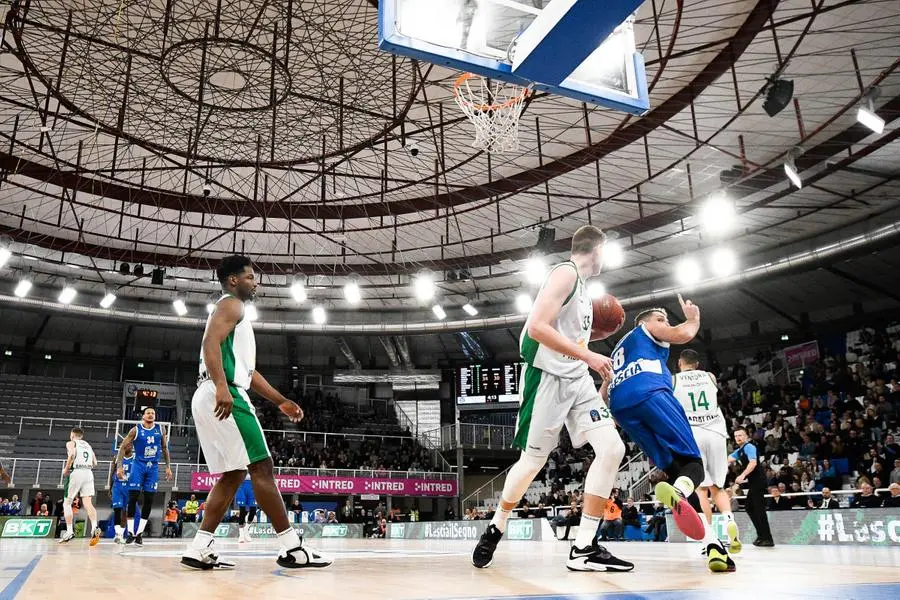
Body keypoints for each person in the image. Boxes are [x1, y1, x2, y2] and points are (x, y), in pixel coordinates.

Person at [472, 226, 632, 573]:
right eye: (605, 250)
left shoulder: (585, 290)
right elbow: (537, 328)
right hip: (545, 377)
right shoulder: (564, 273)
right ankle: (497, 525)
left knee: (612, 449)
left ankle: (584, 545)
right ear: (597, 248)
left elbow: (570, 336)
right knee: (532, 463)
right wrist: (589, 356)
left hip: (576, 378)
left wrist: (590, 360)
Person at [181, 255, 331, 571]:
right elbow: (210, 342)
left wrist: (280, 401)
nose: (255, 281)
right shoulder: (232, 305)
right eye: (250, 277)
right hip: (223, 393)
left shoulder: (235, 314)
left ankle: (199, 547)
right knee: (262, 466)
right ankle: (293, 548)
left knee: (235, 473)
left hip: (208, 392)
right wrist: (223, 387)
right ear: (233, 280)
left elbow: (249, 372)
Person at [604, 298, 733, 572]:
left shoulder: (618, 348)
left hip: (621, 405)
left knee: (677, 472)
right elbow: (683, 334)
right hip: (650, 392)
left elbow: (604, 391)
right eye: (662, 319)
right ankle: (679, 491)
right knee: (694, 467)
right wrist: (693, 318)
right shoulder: (645, 329)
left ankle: (712, 545)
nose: (666, 324)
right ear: (647, 322)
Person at [673, 349, 741, 555]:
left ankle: (709, 539)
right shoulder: (710, 376)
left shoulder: (674, 379)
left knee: (701, 489)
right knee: (718, 487)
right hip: (717, 433)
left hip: (693, 434)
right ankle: (730, 520)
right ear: (697, 363)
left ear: (679, 363)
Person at [115, 407, 173, 545]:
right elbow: (123, 447)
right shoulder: (135, 430)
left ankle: (139, 533)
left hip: (153, 467)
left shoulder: (161, 429)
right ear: (143, 416)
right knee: (133, 498)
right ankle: (130, 532)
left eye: (153, 413)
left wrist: (168, 467)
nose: (151, 415)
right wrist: (119, 466)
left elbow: (164, 448)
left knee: (149, 499)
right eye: (148, 413)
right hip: (138, 466)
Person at [729, 426, 774, 547]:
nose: (738, 438)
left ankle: (767, 538)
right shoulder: (740, 450)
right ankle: (761, 535)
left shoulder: (749, 447)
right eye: (736, 436)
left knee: (759, 509)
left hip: (758, 480)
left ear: (746, 436)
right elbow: (728, 459)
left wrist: (742, 475)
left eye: (740, 435)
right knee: (749, 507)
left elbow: (753, 463)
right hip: (753, 482)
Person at [60, 428, 102, 546]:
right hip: (88, 473)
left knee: (67, 502)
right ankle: (94, 527)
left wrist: (66, 468)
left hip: (76, 472)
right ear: (81, 436)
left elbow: (72, 454)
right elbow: (95, 462)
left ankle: (69, 532)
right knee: (88, 503)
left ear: (72, 435)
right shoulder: (88, 445)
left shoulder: (71, 443)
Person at [110, 443, 136, 544]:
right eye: (122, 446)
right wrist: (110, 487)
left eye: (127, 445)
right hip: (117, 486)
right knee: (117, 509)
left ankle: (121, 533)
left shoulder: (135, 458)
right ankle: (117, 534)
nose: (125, 447)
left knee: (126, 512)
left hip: (129, 487)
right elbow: (112, 472)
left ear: (132, 447)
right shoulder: (116, 458)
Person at [235, 476, 258, 543]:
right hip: (242, 485)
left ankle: (246, 530)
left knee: (253, 511)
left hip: (252, 485)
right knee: (242, 511)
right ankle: (241, 535)